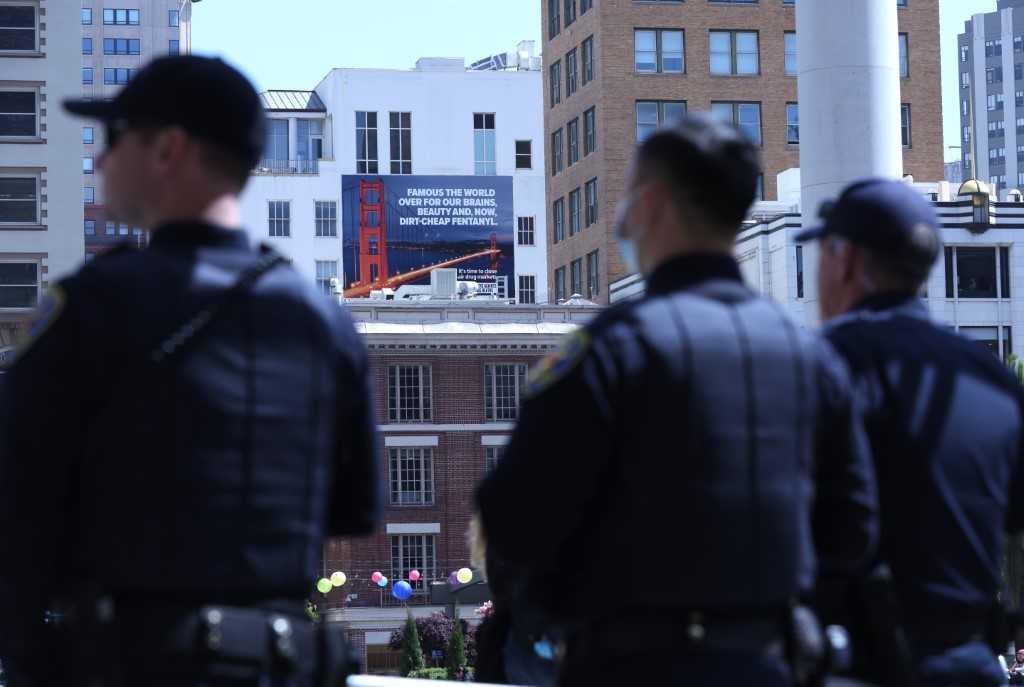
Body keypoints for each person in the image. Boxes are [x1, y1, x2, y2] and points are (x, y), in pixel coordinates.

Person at [0, 56, 380, 687]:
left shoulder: (92, 306)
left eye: (114, 138)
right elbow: (354, 508)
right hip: (280, 661)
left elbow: (14, 497)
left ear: (169, 149)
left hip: (132, 659)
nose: (101, 161)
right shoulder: (323, 321)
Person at [475, 113, 880, 687]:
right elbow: (853, 530)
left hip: (632, 663)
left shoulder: (610, 350)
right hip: (770, 660)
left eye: (629, 193)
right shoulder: (812, 359)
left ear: (655, 202)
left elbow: (514, 518)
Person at [799, 178, 1024, 687]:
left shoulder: (811, 367)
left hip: (848, 663)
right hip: (968, 662)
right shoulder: (986, 376)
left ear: (845, 260)